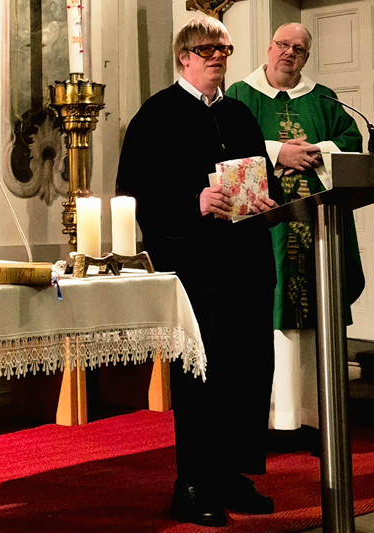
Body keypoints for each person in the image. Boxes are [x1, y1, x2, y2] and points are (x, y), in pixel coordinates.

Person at [116, 16, 281, 528]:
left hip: (247, 262)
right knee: (201, 379)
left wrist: (267, 199)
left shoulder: (240, 115)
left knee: (247, 372)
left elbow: (265, 179)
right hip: (194, 267)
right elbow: (133, 195)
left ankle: (231, 474)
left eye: (224, 49)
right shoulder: (156, 115)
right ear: (184, 56)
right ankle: (192, 484)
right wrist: (194, 204)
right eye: (208, 49)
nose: (218, 58)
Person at [226, 23, 365, 441]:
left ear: (306, 56)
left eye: (299, 49)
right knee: (267, 311)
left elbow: (351, 140)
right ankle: (272, 419)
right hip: (266, 228)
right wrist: (278, 151)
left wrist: (317, 152)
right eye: (283, 45)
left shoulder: (323, 98)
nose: (289, 53)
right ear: (269, 48)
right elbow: (227, 146)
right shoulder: (240, 95)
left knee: (316, 313)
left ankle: (316, 417)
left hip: (318, 228)